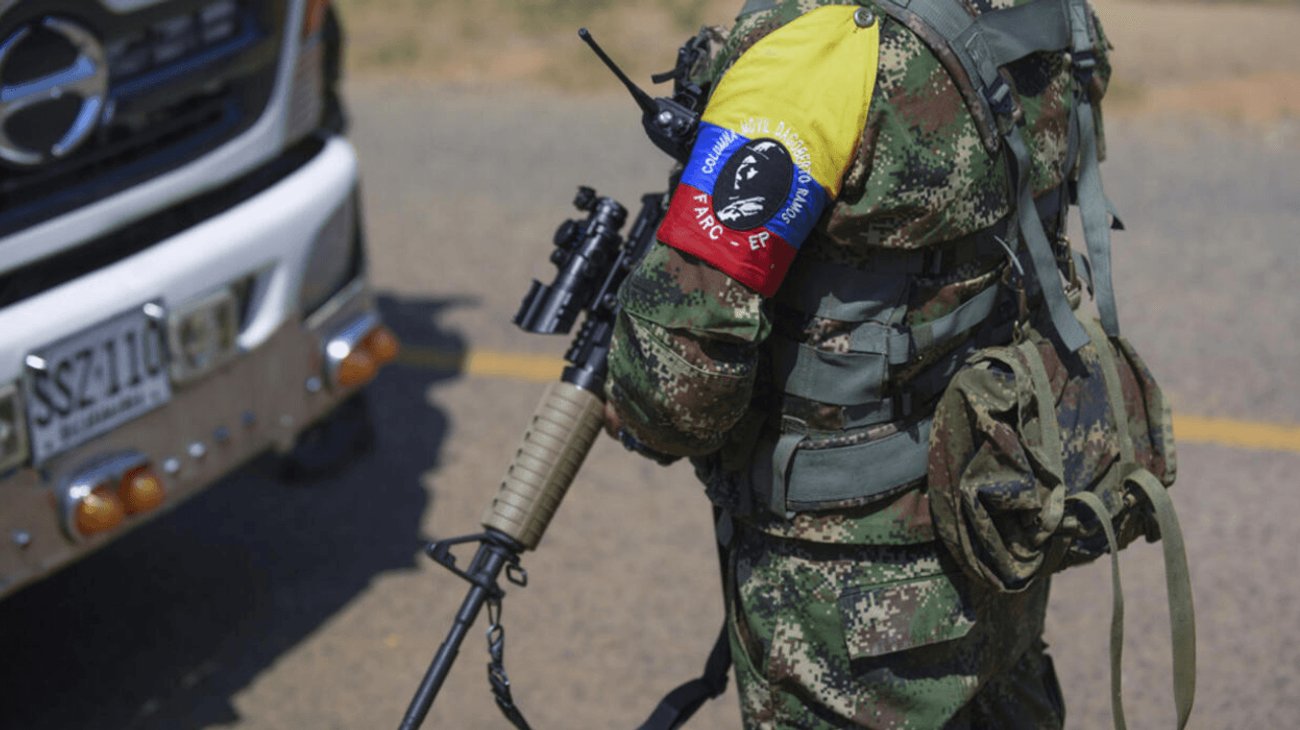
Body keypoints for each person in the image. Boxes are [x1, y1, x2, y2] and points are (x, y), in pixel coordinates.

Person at [603, 0, 1115, 727]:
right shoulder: (1052, 15)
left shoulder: (818, 54)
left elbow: (679, 381)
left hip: (846, 588)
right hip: (999, 509)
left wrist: (630, 405)